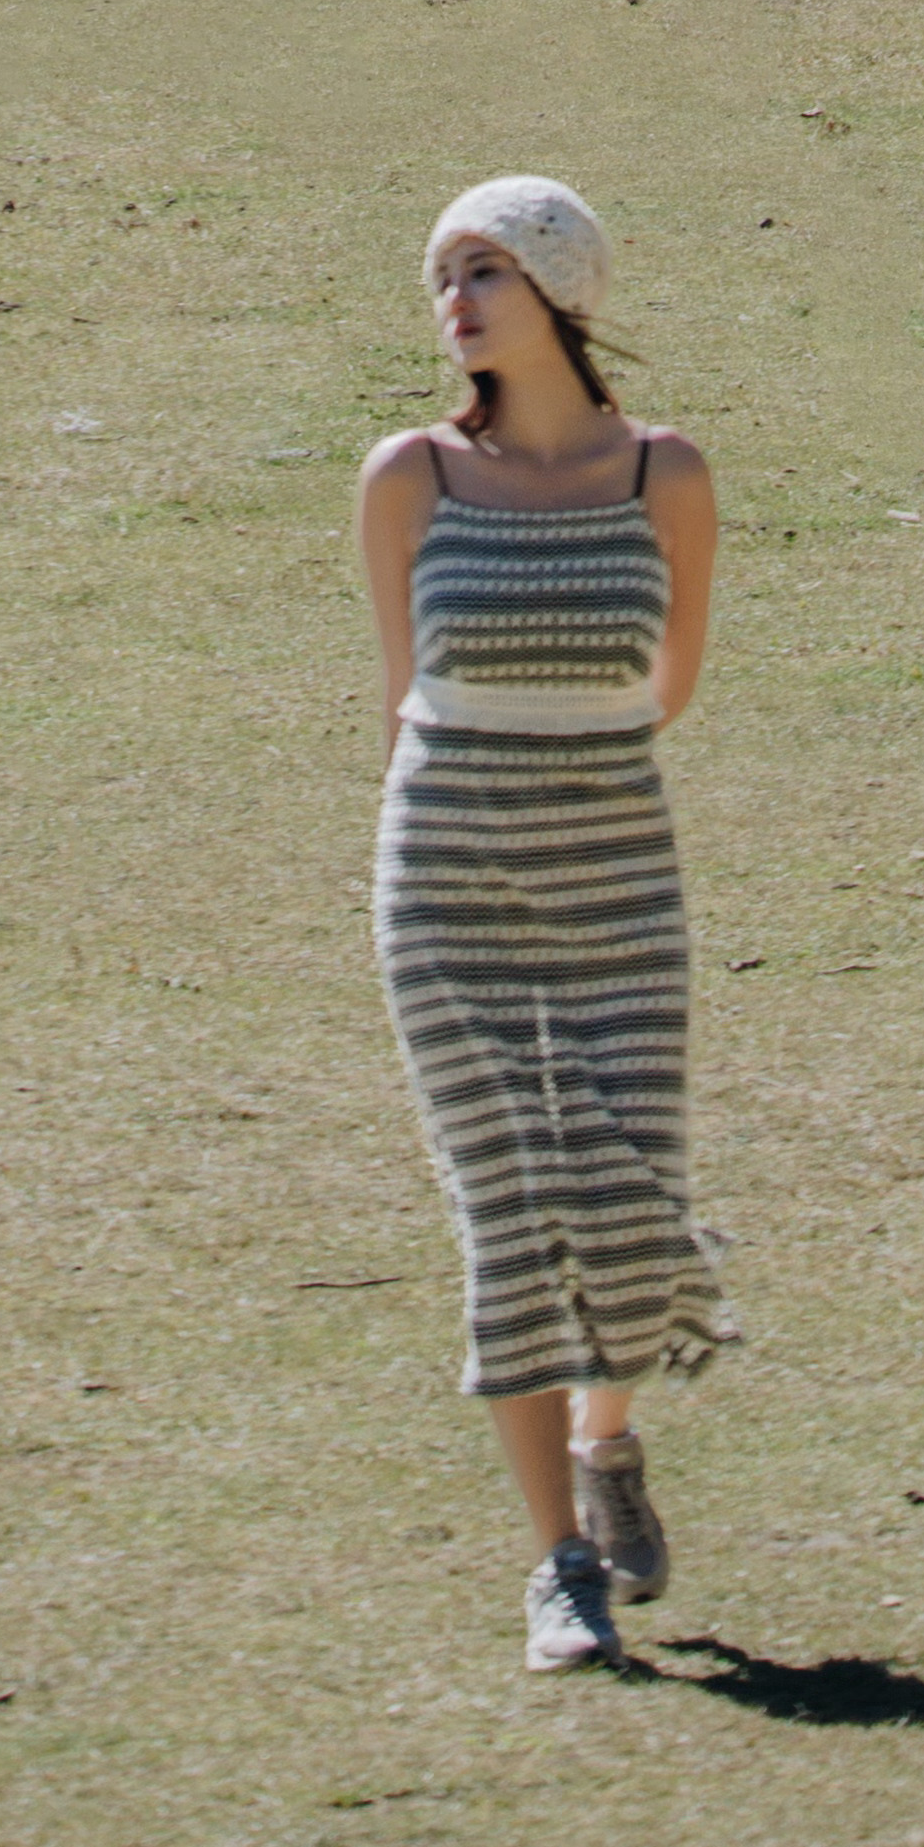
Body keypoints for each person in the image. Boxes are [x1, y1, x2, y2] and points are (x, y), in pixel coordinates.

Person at [358, 172, 730, 1670]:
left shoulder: (665, 475)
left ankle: (606, 1436)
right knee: (510, 1215)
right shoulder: (409, 476)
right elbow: (405, 691)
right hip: (448, 880)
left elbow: (671, 681)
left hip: (618, 873)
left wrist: (571, 761)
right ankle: (558, 1564)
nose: (455, 301)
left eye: (486, 270)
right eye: (444, 276)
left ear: (560, 288)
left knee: (631, 1203)